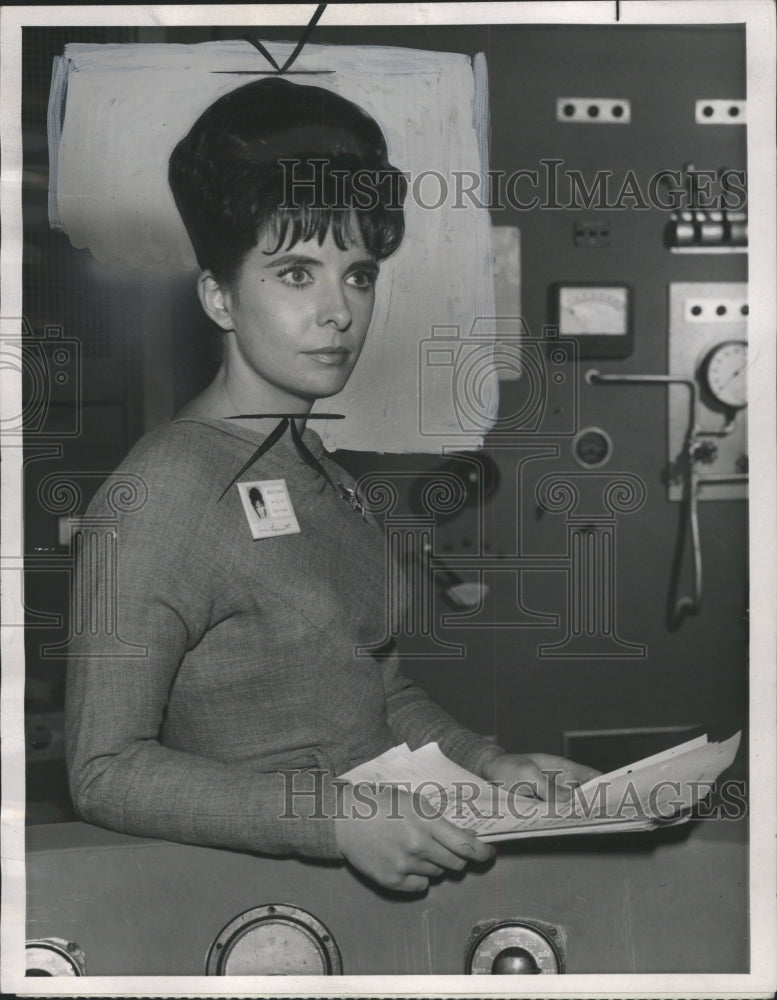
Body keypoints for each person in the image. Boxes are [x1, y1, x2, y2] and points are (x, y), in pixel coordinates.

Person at [66, 77, 597, 894]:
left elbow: (375, 688)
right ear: (219, 296)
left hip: (382, 879)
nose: (338, 312)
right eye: (294, 273)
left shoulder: (322, 472)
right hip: (255, 900)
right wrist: (335, 820)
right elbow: (104, 770)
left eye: (356, 276)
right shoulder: (163, 492)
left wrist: (489, 763)